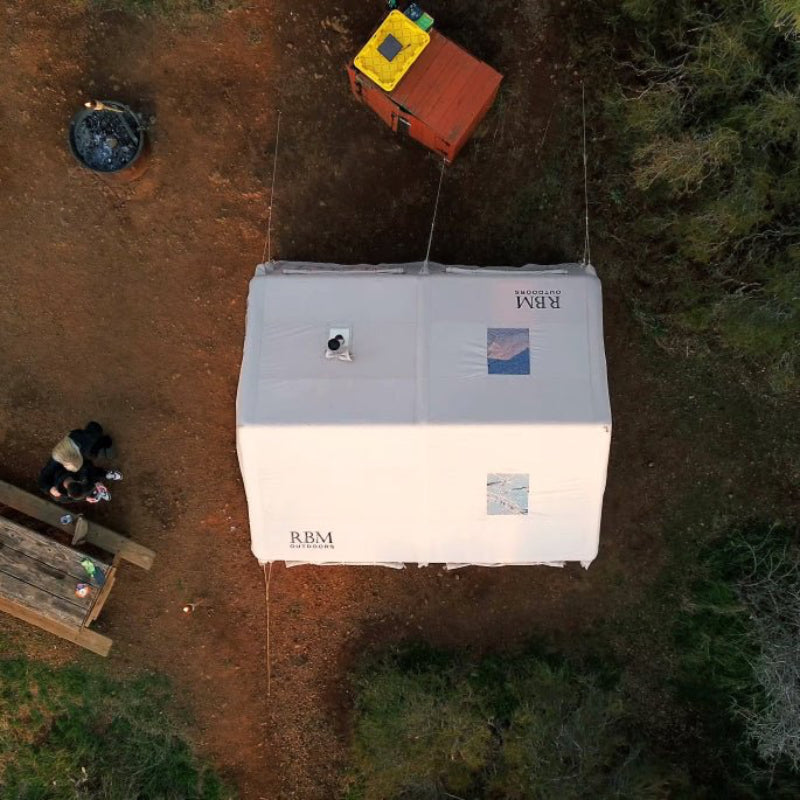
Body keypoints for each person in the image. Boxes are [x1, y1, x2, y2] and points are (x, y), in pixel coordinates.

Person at [38, 421, 122, 502]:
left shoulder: (59, 463)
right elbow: (72, 498)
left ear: (78, 481)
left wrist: (49, 489)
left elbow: (88, 466)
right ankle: (103, 445)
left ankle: (103, 441)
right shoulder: (62, 495)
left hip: (72, 447)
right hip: (75, 459)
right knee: (91, 457)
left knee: (94, 434)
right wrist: (87, 497)